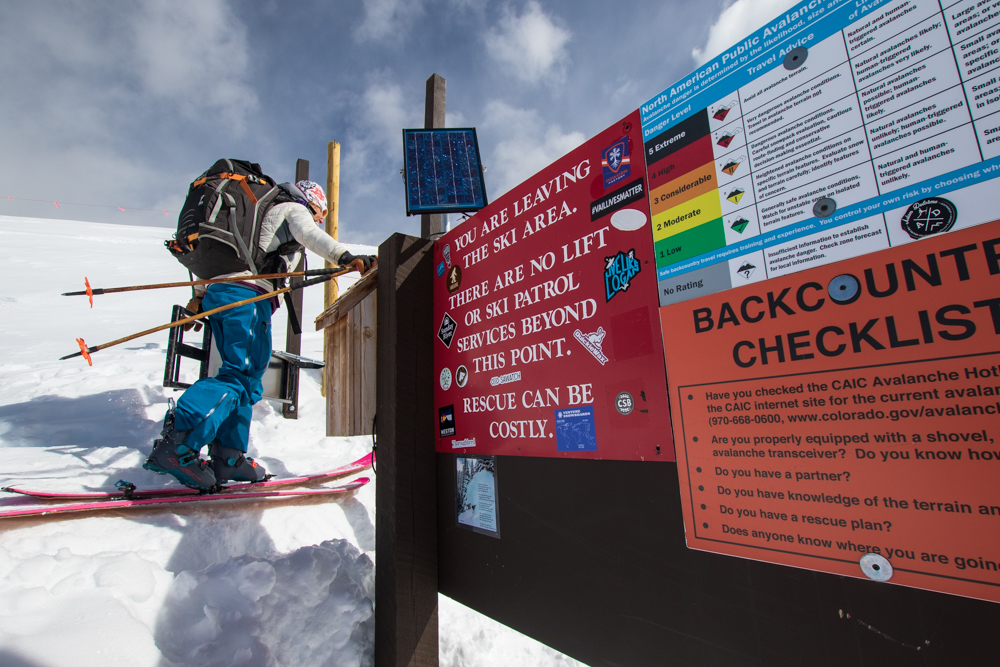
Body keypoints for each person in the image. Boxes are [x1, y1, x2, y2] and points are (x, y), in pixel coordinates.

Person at [144, 180, 376, 490]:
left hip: (223, 294)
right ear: (311, 201)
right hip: (247, 297)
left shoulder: (248, 219)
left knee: (243, 377)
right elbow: (308, 234)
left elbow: (215, 260)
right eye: (321, 210)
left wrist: (198, 297)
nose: (320, 217)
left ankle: (228, 458)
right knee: (240, 375)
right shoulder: (292, 208)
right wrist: (344, 257)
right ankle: (178, 446)